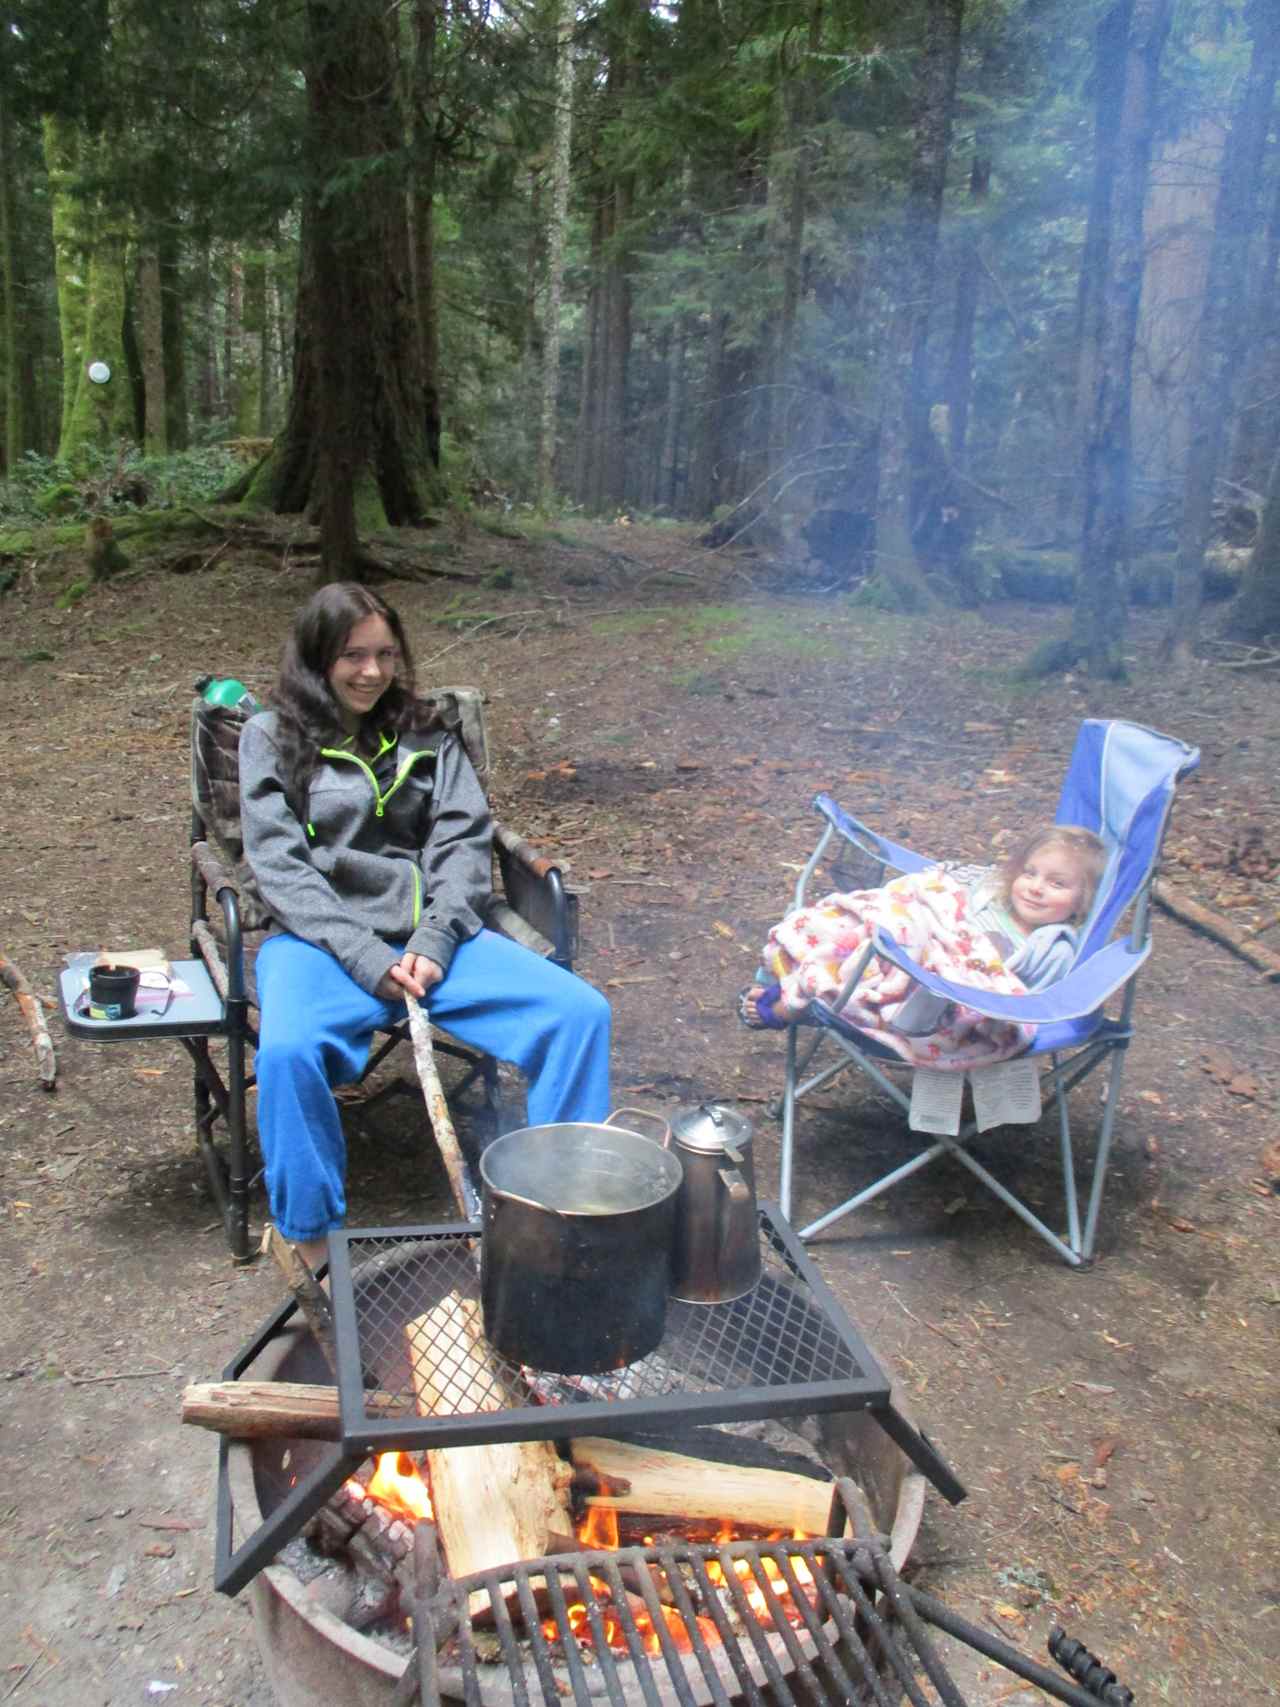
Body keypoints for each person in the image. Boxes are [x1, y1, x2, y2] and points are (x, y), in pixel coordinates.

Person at [239, 581, 612, 1266]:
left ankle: (567, 1217)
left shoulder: (426, 734)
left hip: (431, 941)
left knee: (579, 1013)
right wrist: (362, 955)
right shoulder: (272, 736)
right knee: (287, 1053)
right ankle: (312, 1242)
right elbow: (279, 869)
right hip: (319, 942)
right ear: (318, 656)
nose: (372, 671)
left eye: (385, 654)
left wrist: (435, 939)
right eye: (353, 655)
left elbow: (463, 847)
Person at [740, 823, 1107, 1033]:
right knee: (847, 927)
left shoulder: (1051, 948)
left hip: (938, 993)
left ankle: (791, 1006)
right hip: (903, 943)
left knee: (871, 978)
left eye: (1056, 884)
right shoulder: (990, 894)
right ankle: (783, 978)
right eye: (1030, 873)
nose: (1036, 887)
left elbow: (1029, 1003)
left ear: (1082, 901)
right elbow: (933, 893)